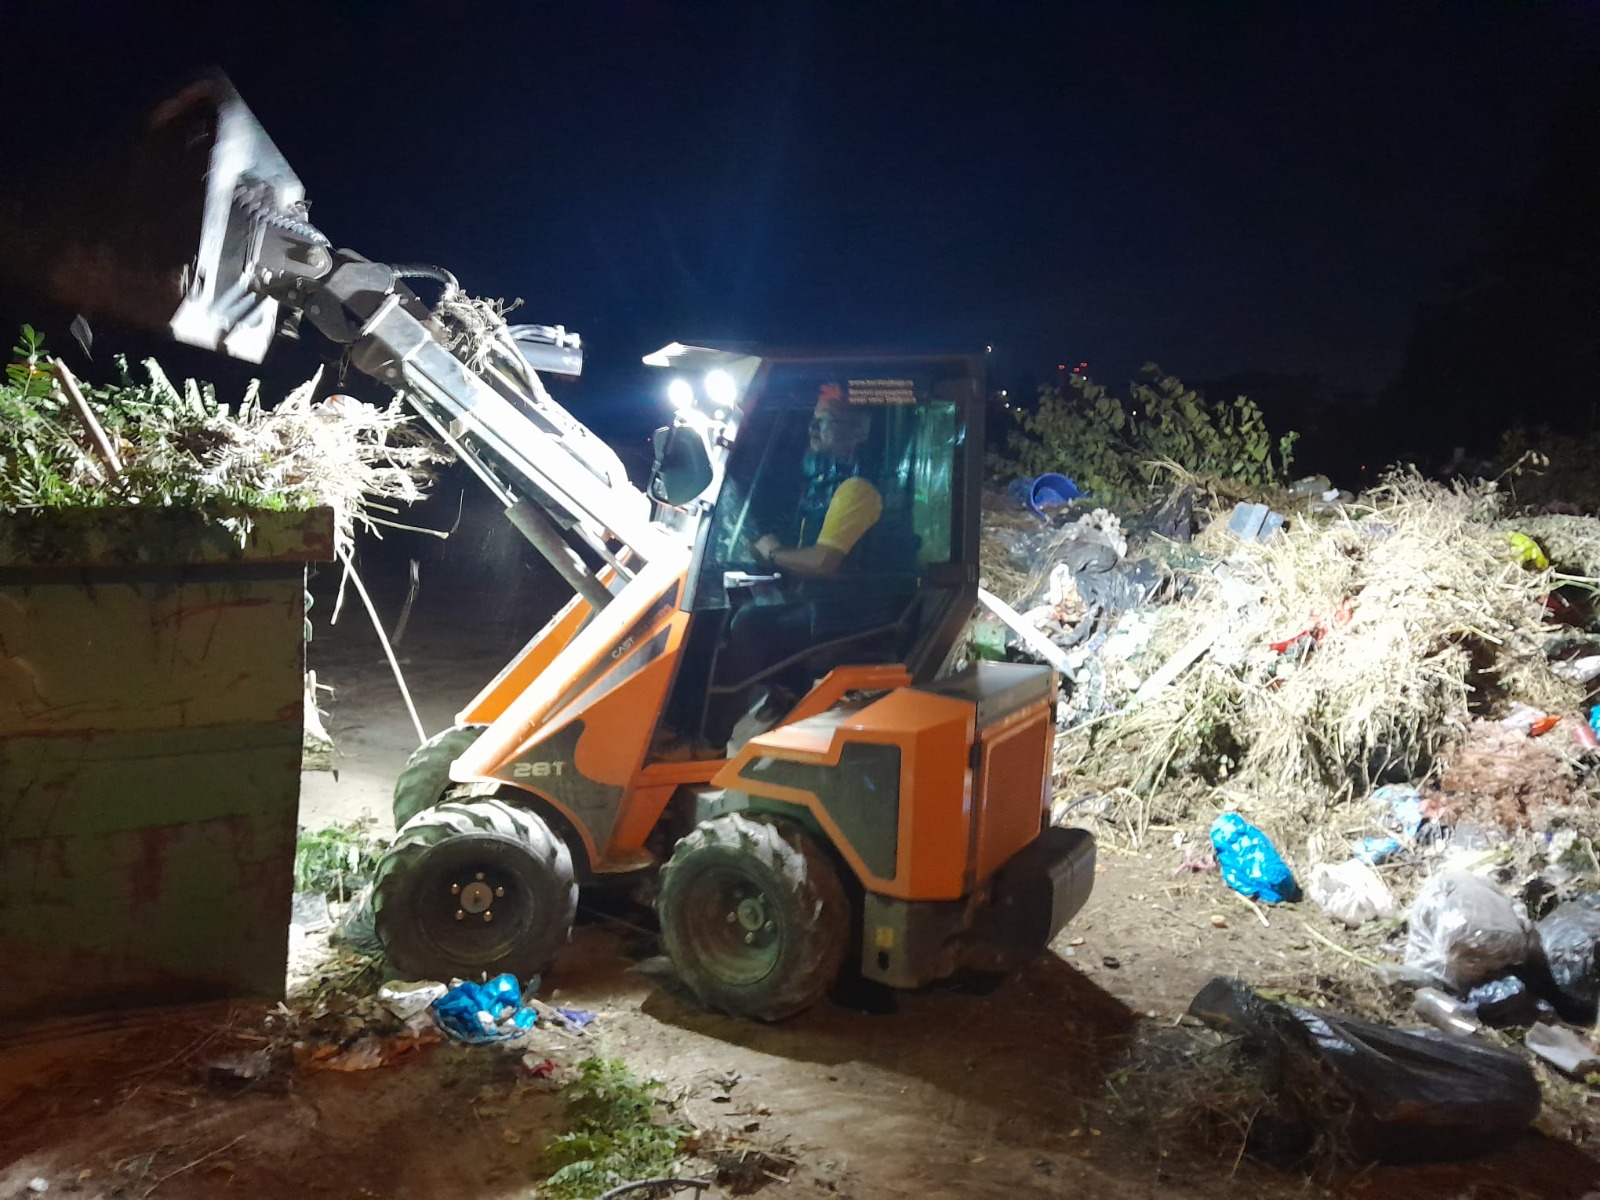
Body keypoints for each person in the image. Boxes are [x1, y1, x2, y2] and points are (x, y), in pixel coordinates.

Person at [749, 383, 882, 576]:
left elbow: (823, 562)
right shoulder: (823, 482)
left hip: (842, 603)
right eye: (813, 419)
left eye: (825, 421)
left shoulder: (857, 488)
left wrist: (772, 552)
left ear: (858, 432)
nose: (812, 428)